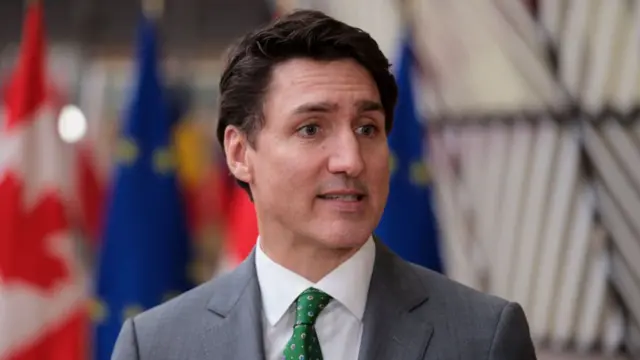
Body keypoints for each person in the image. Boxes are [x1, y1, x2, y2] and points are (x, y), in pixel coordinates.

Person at [111, 9, 537, 360]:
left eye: (368, 129)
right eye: (311, 129)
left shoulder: (483, 339)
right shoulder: (155, 346)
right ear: (240, 154)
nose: (351, 160)